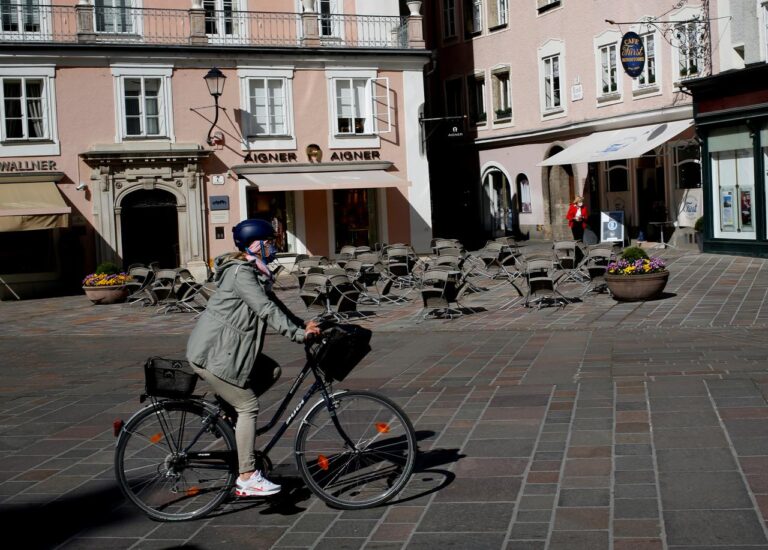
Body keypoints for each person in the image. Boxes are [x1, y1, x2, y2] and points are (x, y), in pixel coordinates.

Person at [187, 219, 320, 497]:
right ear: (254, 245)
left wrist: (302, 324)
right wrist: (297, 336)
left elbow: (275, 304)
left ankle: (224, 410)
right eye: (269, 242)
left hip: (227, 350)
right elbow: (264, 310)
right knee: (248, 406)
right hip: (213, 353)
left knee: (270, 370)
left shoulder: (255, 272)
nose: (272, 247)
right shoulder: (241, 273)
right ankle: (247, 476)